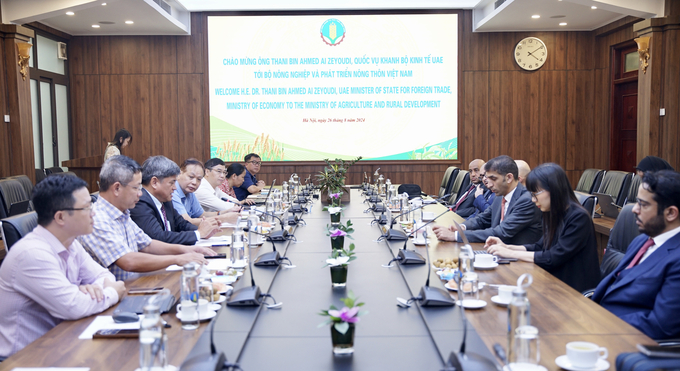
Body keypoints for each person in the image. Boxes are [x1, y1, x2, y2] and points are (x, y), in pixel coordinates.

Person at [0, 175, 126, 358]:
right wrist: (112, 292)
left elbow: (104, 275)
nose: (94, 213)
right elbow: (74, 306)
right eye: (86, 208)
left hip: (61, 343)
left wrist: (93, 290)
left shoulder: (71, 242)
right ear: (60, 217)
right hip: (24, 359)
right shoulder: (32, 254)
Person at [78, 155, 213, 281]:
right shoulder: (97, 219)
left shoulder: (122, 214)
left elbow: (147, 244)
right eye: (136, 188)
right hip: (119, 295)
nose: (140, 193)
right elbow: (128, 261)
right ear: (117, 188)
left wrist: (187, 250)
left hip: (137, 284)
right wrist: (177, 259)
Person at [592, 170, 680, 340]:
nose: (634, 210)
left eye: (643, 204)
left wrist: (602, 322)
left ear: (670, 213)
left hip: (626, 340)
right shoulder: (641, 241)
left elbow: (661, 325)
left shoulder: (676, 259)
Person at [485, 163, 600, 292]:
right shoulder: (552, 212)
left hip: (573, 290)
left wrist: (510, 253)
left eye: (535, 194)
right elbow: (540, 246)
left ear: (553, 189)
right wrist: (507, 247)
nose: (533, 200)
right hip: (552, 281)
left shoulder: (579, 218)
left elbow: (553, 257)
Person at [433, 155, 542, 245]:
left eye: (493, 179)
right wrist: (462, 227)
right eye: (487, 178)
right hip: (498, 252)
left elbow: (501, 232)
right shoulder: (500, 196)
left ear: (509, 178)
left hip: (520, 261)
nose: (488, 185)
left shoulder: (527, 200)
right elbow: (483, 219)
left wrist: (456, 236)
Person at [130, 156, 221, 245]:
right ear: (154, 182)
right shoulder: (140, 202)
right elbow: (158, 237)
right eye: (172, 183)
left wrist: (205, 229)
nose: (175, 187)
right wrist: (198, 234)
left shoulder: (165, 200)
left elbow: (182, 224)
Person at [172, 158, 239, 227]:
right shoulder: (172, 191)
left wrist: (225, 212)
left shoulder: (190, 192)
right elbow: (186, 221)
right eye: (191, 177)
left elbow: (202, 215)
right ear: (179, 174)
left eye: (199, 179)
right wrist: (224, 218)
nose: (195, 182)